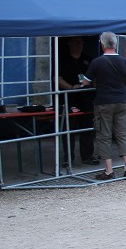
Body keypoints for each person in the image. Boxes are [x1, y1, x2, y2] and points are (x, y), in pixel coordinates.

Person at [82, 31, 126, 180]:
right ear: (115, 44)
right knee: (122, 134)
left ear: (102, 44)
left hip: (103, 102)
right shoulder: (124, 61)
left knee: (103, 136)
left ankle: (109, 170)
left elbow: (85, 81)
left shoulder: (97, 62)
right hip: (121, 101)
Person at [55, 36, 97, 166]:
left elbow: (94, 78)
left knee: (88, 128)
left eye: (80, 42)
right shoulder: (62, 59)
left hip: (87, 98)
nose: (78, 45)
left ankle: (87, 156)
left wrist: (91, 86)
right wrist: (72, 87)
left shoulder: (88, 59)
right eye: (75, 42)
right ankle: (68, 158)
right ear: (69, 44)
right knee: (69, 129)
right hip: (70, 98)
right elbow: (57, 78)